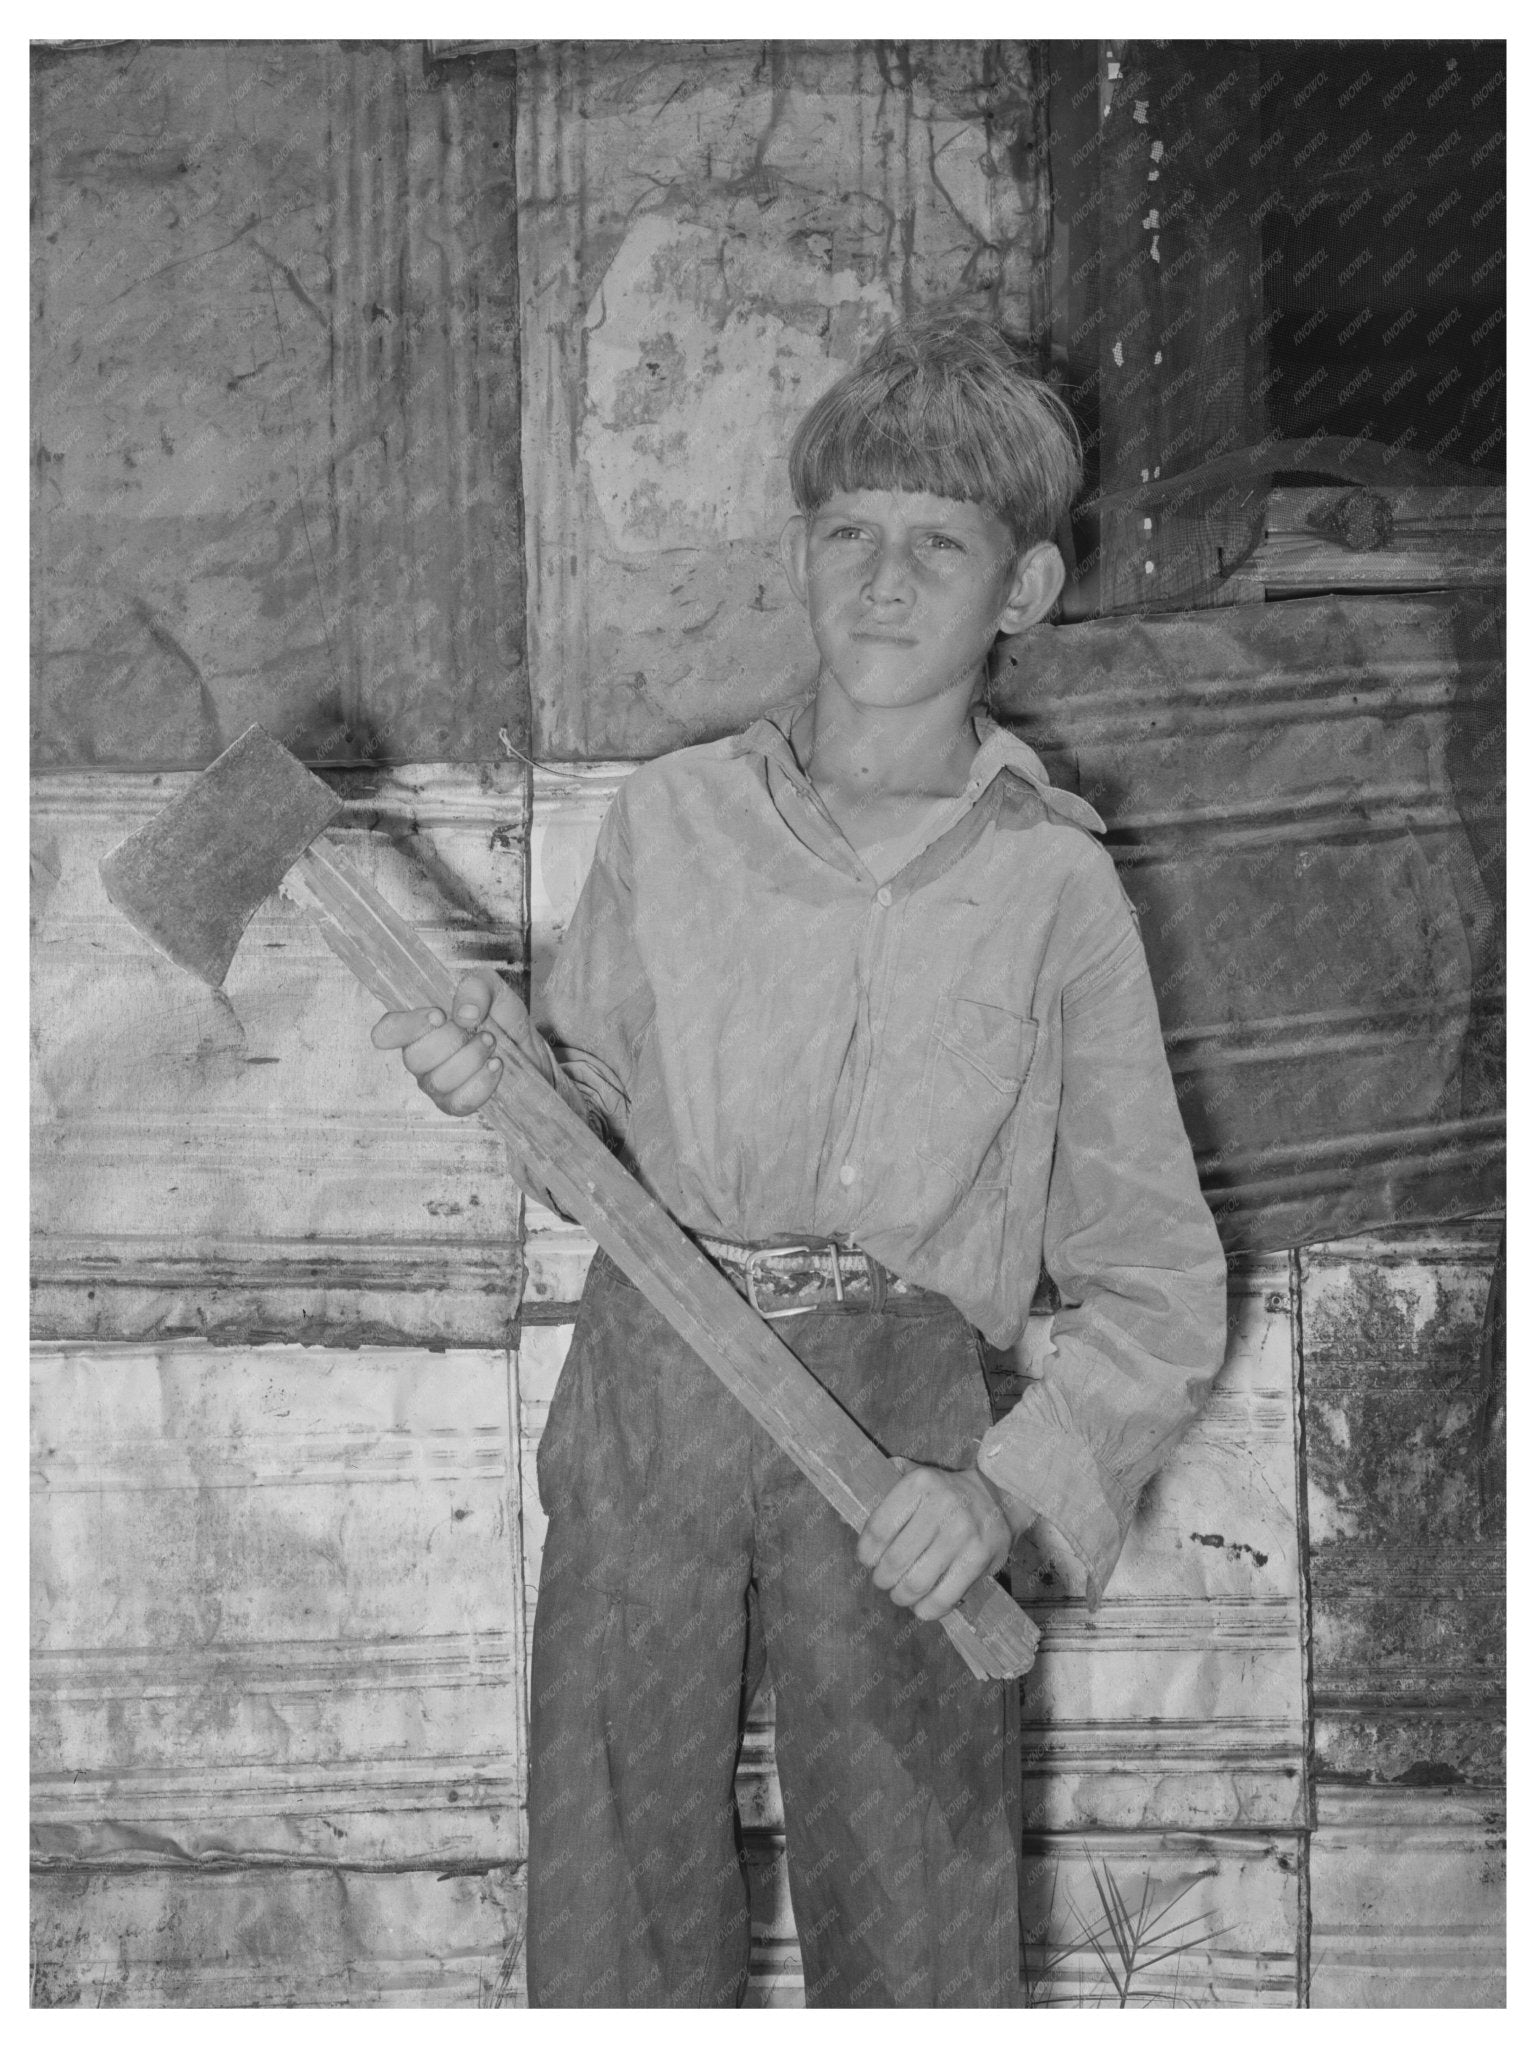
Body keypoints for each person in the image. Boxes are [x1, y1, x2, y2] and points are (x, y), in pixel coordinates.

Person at [371, 315, 1228, 2007]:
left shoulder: (1055, 891)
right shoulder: (676, 822)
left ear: (1029, 589)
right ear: (800, 555)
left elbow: (1158, 1289)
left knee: (917, 1893)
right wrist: (493, 1080)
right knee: (613, 1875)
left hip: (903, 1414)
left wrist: (997, 1494)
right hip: (655, 1367)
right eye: (849, 533)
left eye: (939, 543)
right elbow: (591, 1138)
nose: (885, 579)